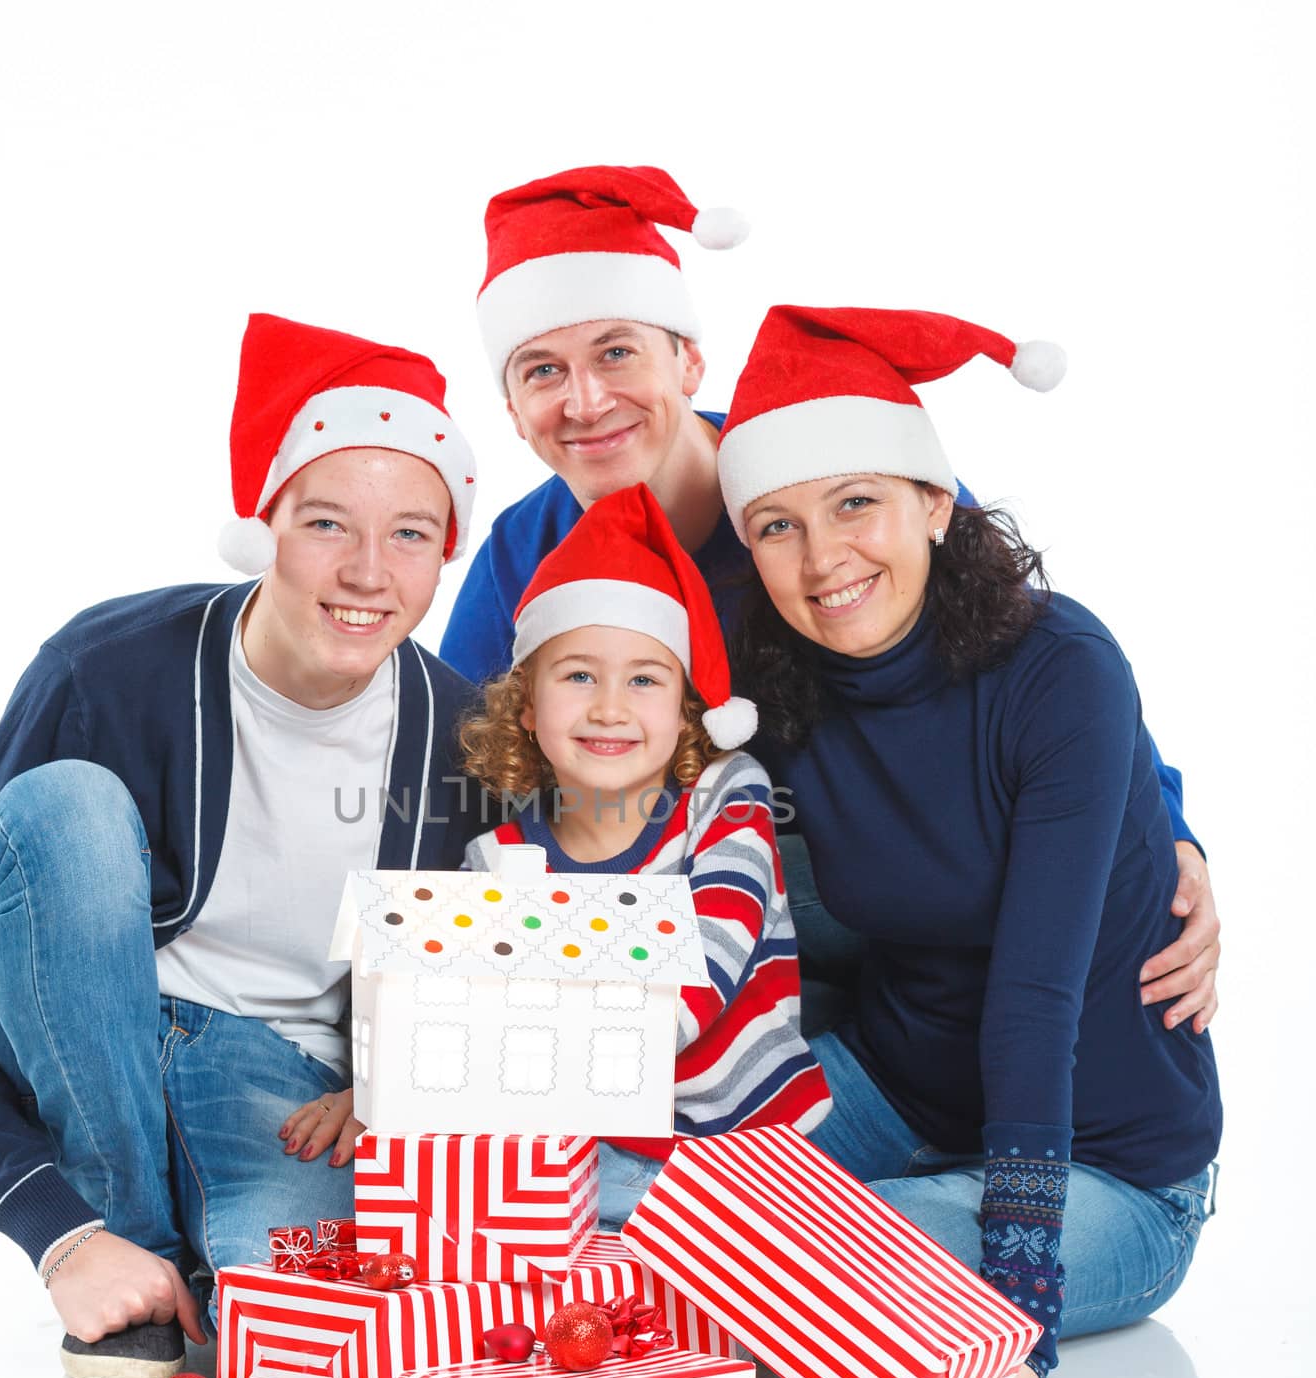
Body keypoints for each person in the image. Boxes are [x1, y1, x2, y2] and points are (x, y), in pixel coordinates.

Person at [439, 163, 1222, 1038]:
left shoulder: (824, 459)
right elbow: (453, 775)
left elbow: (1036, 653)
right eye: (541, 371)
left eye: (617, 351)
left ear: (689, 359)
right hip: (674, 903)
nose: (585, 400)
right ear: (511, 409)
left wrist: (1167, 834)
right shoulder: (519, 553)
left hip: (900, 875)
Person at [0, 316, 484, 1378]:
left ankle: (188, 1268)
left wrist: (390, 1083)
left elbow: (474, 977)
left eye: (412, 534)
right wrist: (59, 1229)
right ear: (266, 525)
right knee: (66, 807)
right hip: (86, 1020)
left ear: (445, 552)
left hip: (283, 1089)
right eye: (327, 522)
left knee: (308, 1354)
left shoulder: (460, 735)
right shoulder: (107, 666)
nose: (368, 572)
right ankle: (128, 1232)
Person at [719, 304, 1221, 1378]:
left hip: (1101, 1165)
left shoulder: (1059, 667)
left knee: (777, 1267)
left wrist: (1020, 1275)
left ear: (935, 504)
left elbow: (1034, 992)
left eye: (855, 502)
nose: (821, 557)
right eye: (774, 524)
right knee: (662, 1216)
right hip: (893, 1090)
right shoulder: (776, 685)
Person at [458, 482, 830, 1218]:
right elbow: (464, 1010)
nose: (608, 707)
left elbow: (706, 956)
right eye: (577, 676)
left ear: (686, 707)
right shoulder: (495, 859)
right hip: (587, 1146)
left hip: (751, 1150)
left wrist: (541, 1055)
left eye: (643, 680)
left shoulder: (723, 800)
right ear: (528, 707)